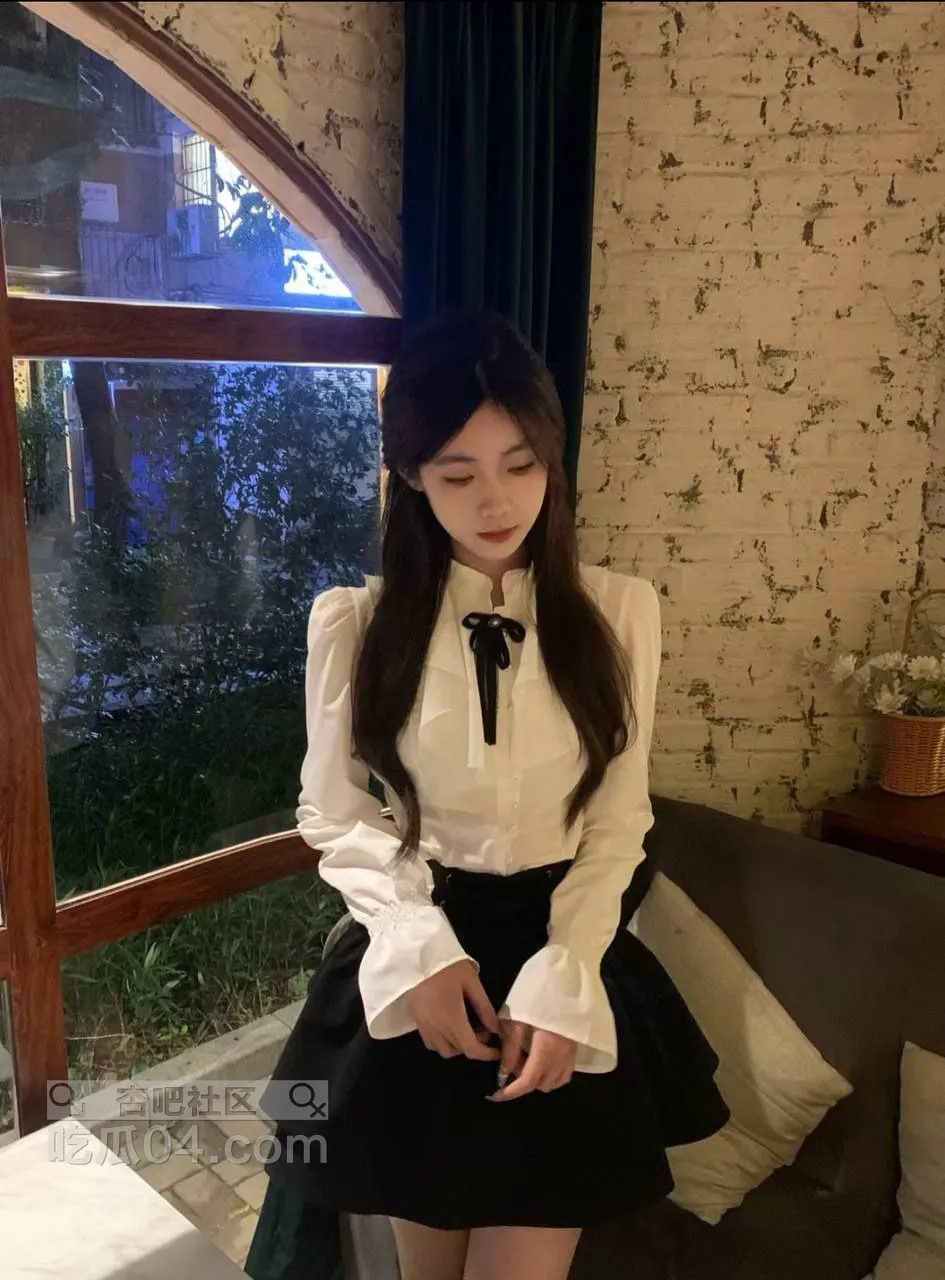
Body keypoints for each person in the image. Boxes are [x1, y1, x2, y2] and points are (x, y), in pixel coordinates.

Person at [254, 311, 729, 1280]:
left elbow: (620, 818)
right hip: (426, 951)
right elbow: (334, 811)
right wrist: (413, 944)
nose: (495, 499)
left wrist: (569, 964)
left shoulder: (619, 613)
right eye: (456, 473)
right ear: (412, 477)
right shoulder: (355, 624)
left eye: (519, 464)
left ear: (551, 457)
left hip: (561, 947)